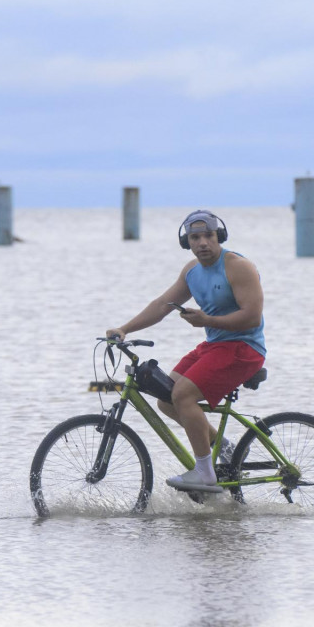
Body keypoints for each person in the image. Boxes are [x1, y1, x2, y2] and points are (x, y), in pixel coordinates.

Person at [106, 209, 266, 493]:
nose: (202, 242)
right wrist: (124, 329)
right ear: (187, 242)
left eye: (208, 236)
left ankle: (204, 473)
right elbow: (161, 305)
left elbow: (252, 317)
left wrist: (207, 321)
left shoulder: (238, 266)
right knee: (167, 397)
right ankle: (223, 447)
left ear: (220, 237)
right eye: (195, 237)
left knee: (183, 394)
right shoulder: (192, 272)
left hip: (244, 347)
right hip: (215, 345)